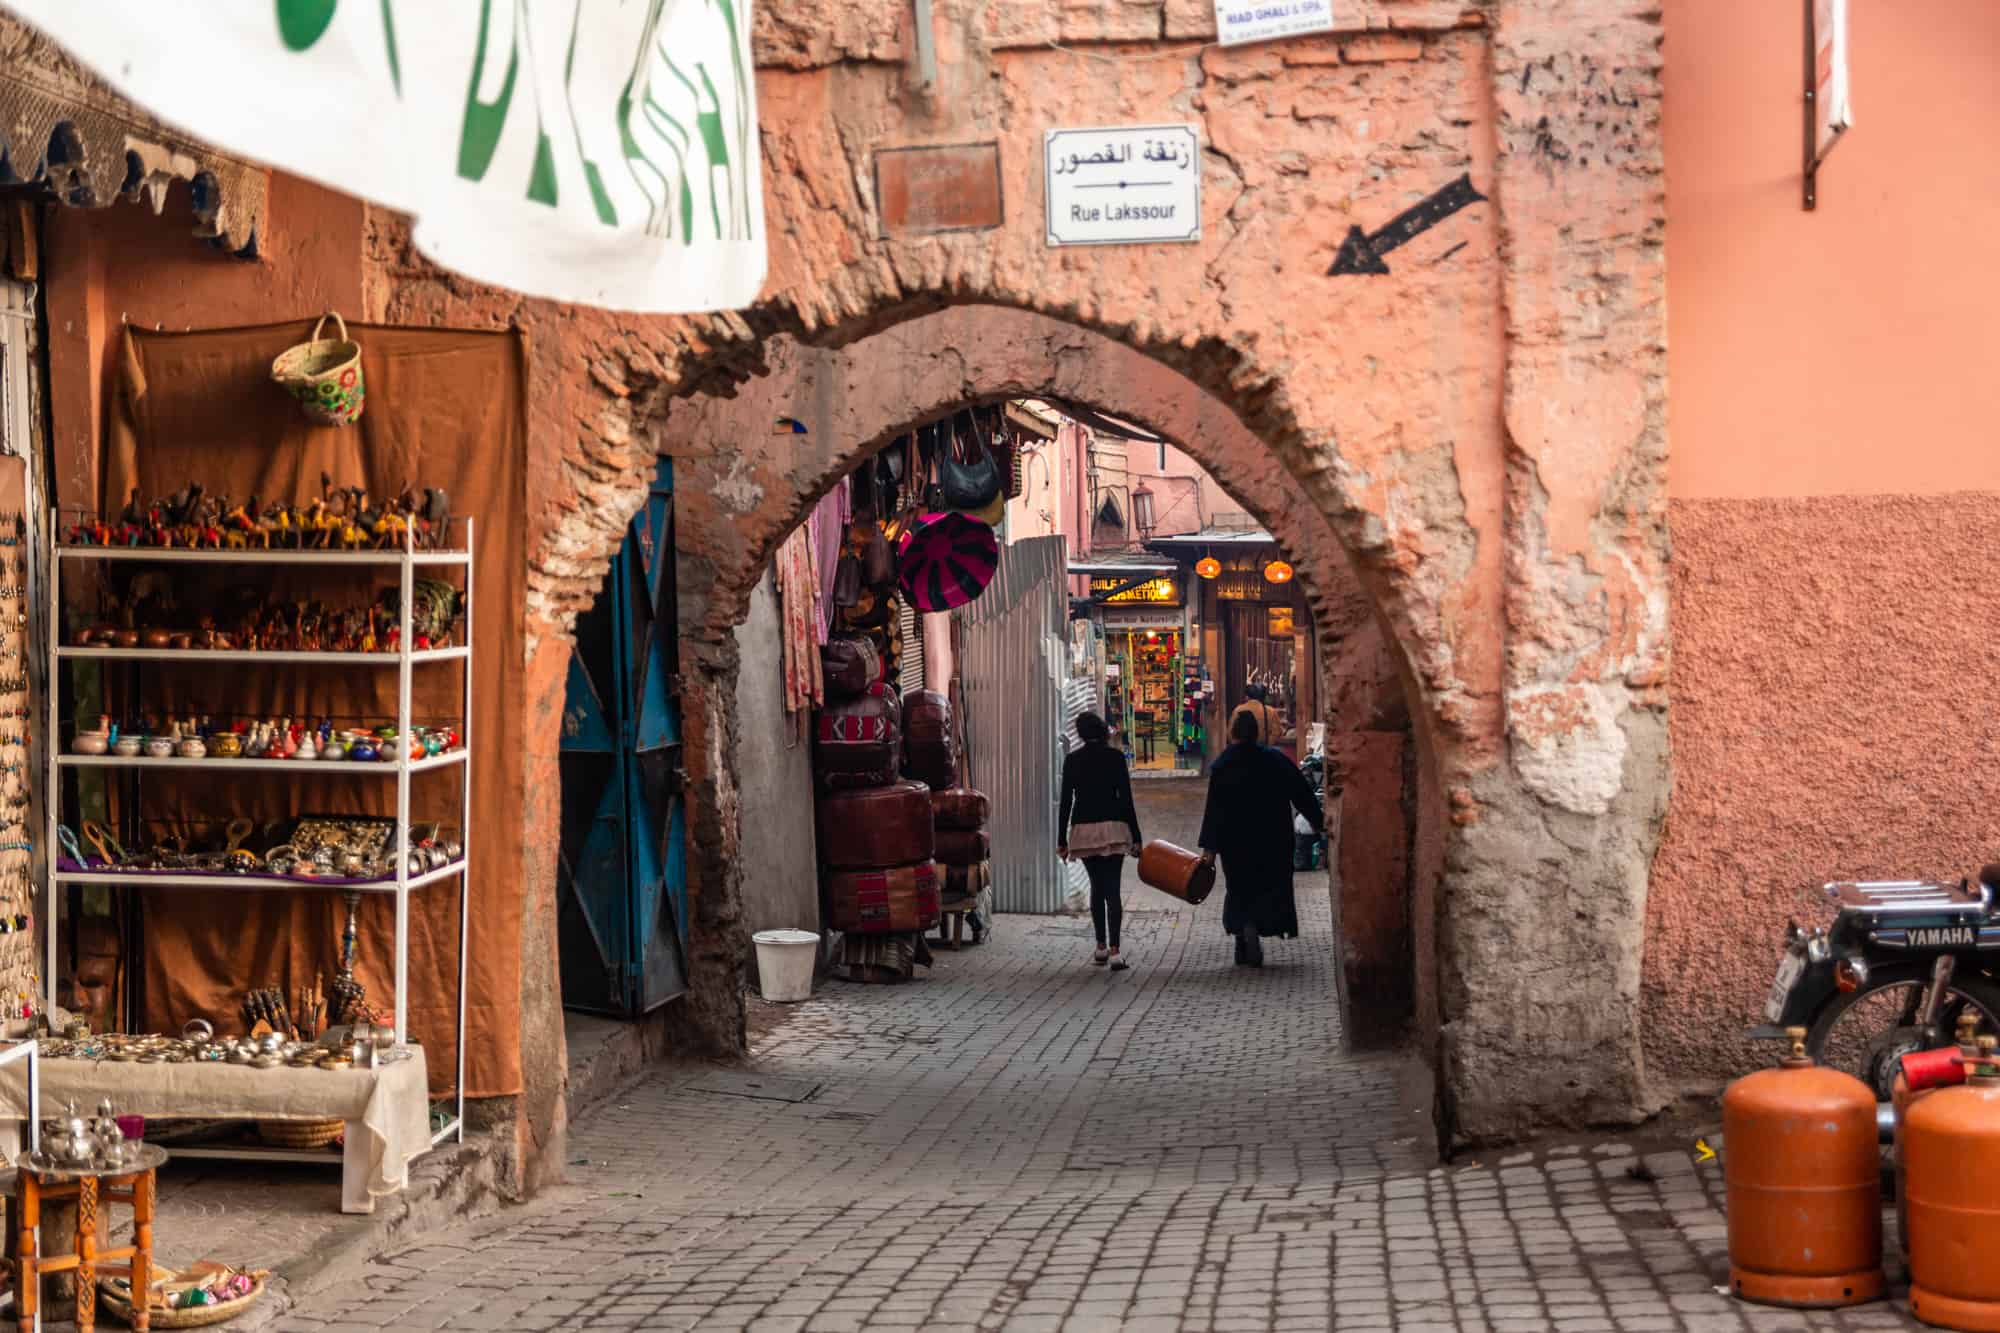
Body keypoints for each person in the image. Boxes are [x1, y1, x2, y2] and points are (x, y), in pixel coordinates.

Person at [1198, 707, 1324, 967]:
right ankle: (1257, 928)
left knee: (1240, 887)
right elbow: (1301, 793)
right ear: (1257, 734)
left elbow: (1214, 811)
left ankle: (1244, 930)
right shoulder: (1275, 760)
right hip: (1273, 839)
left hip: (1236, 842)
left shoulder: (1222, 765)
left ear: (1233, 734)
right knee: (1269, 886)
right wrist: (1319, 823)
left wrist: (1210, 850)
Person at [1058, 710, 1143, 971]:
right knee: (1113, 889)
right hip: (1114, 828)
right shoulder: (1116, 758)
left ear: (1081, 734)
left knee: (1096, 887)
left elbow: (1065, 803)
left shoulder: (1072, 760)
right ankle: (1116, 951)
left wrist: (1061, 839)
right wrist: (1137, 837)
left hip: (1085, 831)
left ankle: (1100, 947)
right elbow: (1126, 799)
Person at [1229, 681, 1280, 747]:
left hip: (1242, 752)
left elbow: (1230, 733)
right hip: (1262, 752)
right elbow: (1277, 732)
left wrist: (1239, 747)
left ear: (1247, 696)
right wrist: (1266, 745)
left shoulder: (1238, 710)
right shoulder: (1271, 711)